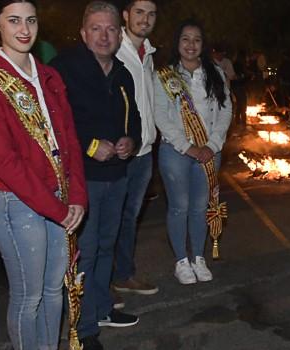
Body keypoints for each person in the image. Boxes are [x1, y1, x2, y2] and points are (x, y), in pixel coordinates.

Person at [0, 1, 88, 349]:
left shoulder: (49, 76)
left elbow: (69, 139)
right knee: (29, 296)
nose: (24, 29)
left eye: (31, 20)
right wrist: (59, 208)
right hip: (18, 204)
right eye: (14, 20)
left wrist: (77, 195)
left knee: (54, 291)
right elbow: (5, 162)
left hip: (60, 199)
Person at [51, 2, 142, 348]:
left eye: (111, 29)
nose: (104, 36)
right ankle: (83, 328)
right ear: (83, 33)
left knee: (107, 246)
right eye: (96, 29)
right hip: (81, 178)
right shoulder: (63, 69)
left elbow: (133, 120)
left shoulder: (123, 73)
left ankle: (102, 307)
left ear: (119, 33)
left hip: (117, 176)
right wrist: (90, 146)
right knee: (84, 253)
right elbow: (56, 125)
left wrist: (130, 141)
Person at [154, 19, 232, 285]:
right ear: (177, 43)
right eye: (185, 39)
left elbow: (225, 110)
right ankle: (181, 261)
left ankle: (198, 257)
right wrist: (188, 147)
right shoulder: (164, 75)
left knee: (201, 206)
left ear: (203, 44)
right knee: (179, 206)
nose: (190, 45)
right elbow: (161, 116)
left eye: (196, 39)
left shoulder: (215, 73)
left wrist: (212, 145)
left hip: (209, 151)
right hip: (176, 151)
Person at [112, 0, 159, 297]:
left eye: (151, 14)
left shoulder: (149, 54)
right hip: (120, 152)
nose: (145, 19)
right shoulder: (115, 49)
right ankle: (103, 284)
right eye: (139, 12)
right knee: (110, 219)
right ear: (126, 15)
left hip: (144, 152)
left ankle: (122, 275)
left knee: (129, 217)